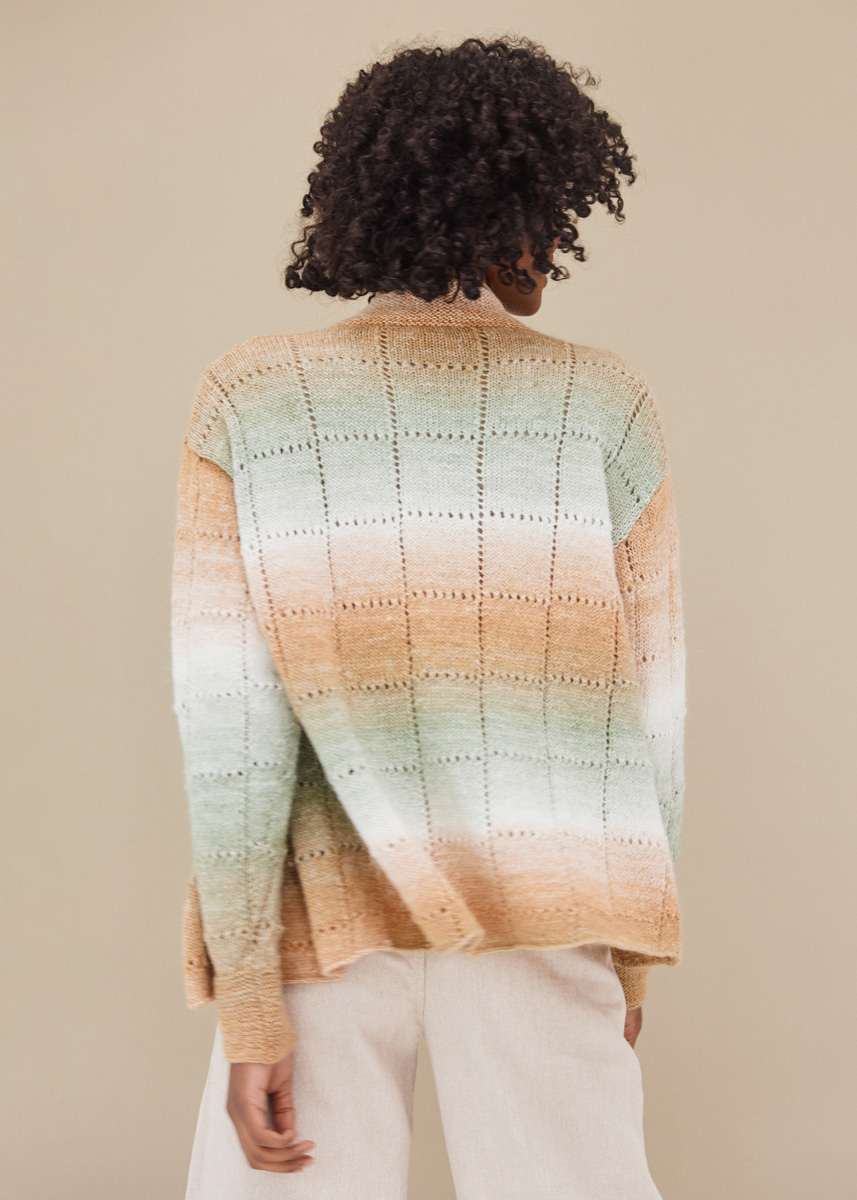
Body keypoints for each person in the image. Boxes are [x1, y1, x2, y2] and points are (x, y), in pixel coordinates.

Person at [171, 34, 687, 1200]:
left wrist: (249, 1001)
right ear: (532, 203)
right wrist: (628, 960)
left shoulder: (252, 398)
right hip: (548, 908)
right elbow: (651, 714)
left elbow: (230, 730)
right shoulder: (603, 405)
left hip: (324, 918)